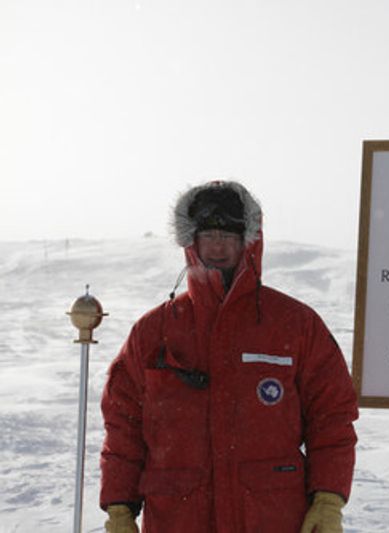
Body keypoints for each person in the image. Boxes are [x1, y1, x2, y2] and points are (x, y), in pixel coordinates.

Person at [99, 180, 358, 532]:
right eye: (209, 235)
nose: (218, 246)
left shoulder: (294, 325)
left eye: (229, 236)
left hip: (271, 517)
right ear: (192, 242)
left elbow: (332, 417)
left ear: (248, 243)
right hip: (178, 517)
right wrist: (120, 507)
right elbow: (122, 424)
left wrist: (328, 499)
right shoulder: (154, 331)